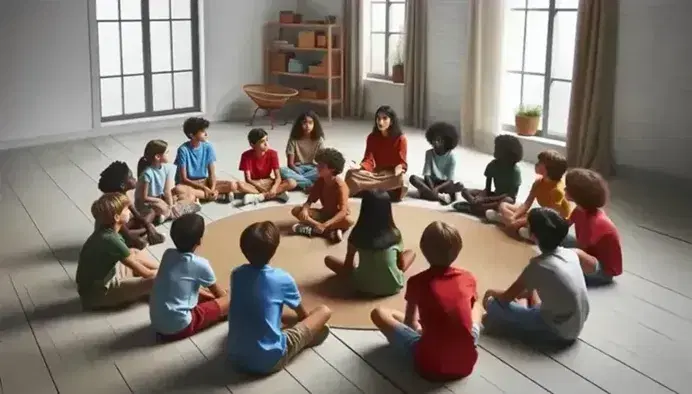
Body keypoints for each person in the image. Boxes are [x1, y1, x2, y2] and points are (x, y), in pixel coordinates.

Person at [370, 221, 481, 381]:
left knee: (379, 313)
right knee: (476, 304)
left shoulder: (417, 282)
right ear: (458, 250)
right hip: (465, 364)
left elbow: (409, 322)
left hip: (429, 365)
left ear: (423, 249)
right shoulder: (467, 277)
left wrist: (422, 331)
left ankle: (430, 336)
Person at [227, 221, 332, 375]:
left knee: (263, 312)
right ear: (274, 249)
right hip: (269, 361)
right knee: (323, 311)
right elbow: (302, 315)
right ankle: (301, 343)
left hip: (235, 355)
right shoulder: (282, 278)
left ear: (243, 249)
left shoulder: (236, 274)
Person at [482, 207, 590, 345]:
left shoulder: (539, 266)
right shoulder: (570, 254)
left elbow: (506, 297)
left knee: (493, 304)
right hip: (574, 322)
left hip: (558, 331)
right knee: (530, 292)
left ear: (533, 235)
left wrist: (490, 292)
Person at [149, 213, 230, 341]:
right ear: (199, 240)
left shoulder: (168, 254)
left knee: (199, 291)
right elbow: (220, 294)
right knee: (230, 299)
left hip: (157, 322)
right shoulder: (200, 264)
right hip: (178, 327)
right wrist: (225, 296)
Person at [323, 190, 416, 296]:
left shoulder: (357, 233)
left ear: (364, 209)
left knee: (329, 260)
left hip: (362, 286)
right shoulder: (395, 234)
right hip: (393, 285)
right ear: (388, 210)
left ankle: (367, 272)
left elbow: (347, 267)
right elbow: (401, 265)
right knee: (411, 253)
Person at [76, 193, 159, 310]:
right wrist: (163, 274)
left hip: (102, 280)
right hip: (98, 294)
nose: (129, 210)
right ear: (116, 217)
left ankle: (162, 271)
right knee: (153, 281)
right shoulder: (111, 240)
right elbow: (147, 273)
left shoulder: (105, 229)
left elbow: (131, 257)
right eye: (126, 209)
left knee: (133, 252)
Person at [486, 150, 573, 240]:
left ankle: (503, 220)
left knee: (524, 230)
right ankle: (512, 222)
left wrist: (523, 220)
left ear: (549, 169)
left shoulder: (557, 190)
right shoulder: (538, 182)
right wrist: (514, 217)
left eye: (540, 163)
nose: (536, 164)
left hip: (553, 221)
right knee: (503, 205)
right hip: (542, 213)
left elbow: (550, 217)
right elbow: (527, 204)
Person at [561, 168, 622, 286]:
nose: (564, 189)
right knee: (556, 234)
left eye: (567, 188)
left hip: (602, 271)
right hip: (589, 253)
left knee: (572, 255)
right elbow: (563, 226)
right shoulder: (580, 209)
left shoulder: (596, 223)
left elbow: (581, 249)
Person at [344, 106, 408, 201]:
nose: (380, 122)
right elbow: (368, 159)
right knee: (351, 174)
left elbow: (402, 162)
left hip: (391, 175)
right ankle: (381, 191)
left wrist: (400, 167)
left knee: (402, 180)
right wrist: (360, 167)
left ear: (392, 121)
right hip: (376, 174)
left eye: (384, 118)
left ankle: (369, 190)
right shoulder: (372, 137)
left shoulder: (401, 139)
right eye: (378, 118)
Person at [291, 147, 354, 243]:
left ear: (332, 169)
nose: (317, 167)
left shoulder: (341, 187)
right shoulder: (321, 181)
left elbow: (343, 212)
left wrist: (325, 225)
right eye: (318, 164)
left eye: (322, 166)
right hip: (323, 214)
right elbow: (309, 201)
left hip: (336, 218)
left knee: (348, 221)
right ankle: (329, 232)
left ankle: (313, 230)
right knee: (296, 210)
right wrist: (304, 209)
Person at [453, 134, 523, 217]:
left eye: (498, 148)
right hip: (494, 195)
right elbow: (487, 189)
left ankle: (476, 208)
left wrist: (485, 199)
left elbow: (511, 195)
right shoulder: (492, 165)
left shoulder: (515, 171)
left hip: (505, 198)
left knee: (506, 201)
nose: (495, 150)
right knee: (465, 191)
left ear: (507, 153)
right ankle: (477, 206)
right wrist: (478, 198)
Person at [98, 161, 165, 248]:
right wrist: (147, 228)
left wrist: (148, 225)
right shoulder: (114, 205)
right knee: (136, 241)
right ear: (122, 185)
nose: (135, 179)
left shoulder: (123, 196)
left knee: (150, 211)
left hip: (126, 225)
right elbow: (127, 233)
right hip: (117, 234)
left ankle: (148, 230)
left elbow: (137, 215)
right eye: (131, 177)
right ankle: (144, 237)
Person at [173, 117, 238, 203]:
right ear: (191, 135)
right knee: (179, 189)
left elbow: (212, 173)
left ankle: (202, 196)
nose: (206, 134)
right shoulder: (183, 150)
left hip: (204, 181)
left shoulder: (208, 147)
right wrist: (205, 188)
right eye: (202, 131)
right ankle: (216, 196)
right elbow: (184, 179)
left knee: (232, 185)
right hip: (188, 184)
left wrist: (212, 189)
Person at [136, 139, 200, 225]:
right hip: (147, 202)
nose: (168, 154)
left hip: (160, 197)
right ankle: (179, 211)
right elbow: (144, 197)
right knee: (162, 207)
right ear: (157, 157)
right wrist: (161, 202)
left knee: (186, 196)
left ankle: (167, 214)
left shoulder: (166, 168)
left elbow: (167, 191)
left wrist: (171, 206)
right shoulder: (147, 173)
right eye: (166, 152)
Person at [237, 128, 298, 205]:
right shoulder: (246, 156)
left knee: (292, 182)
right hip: (255, 184)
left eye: (267, 140)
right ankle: (277, 194)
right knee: (240, 185)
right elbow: (248, 179)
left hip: (268, 181)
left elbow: (278, 177)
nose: (266, 144)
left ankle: (259, 197)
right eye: (262, 141)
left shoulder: (273, 153)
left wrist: (274, 188)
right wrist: (260, 186)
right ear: (252, 145)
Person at [408, 122, 464, 205]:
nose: (435, 142)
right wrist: (432, 188)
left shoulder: (451, 157)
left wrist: (437, 188)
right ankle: (440, 197)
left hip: (444, 185)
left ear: (446, 142)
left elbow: (450, 180)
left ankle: (428, 194)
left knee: (460, 186)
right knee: (413, 178)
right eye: (434, 139)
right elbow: (427, 174)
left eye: (439, 140)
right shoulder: (429, 153)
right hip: (431, 182)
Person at [279, 110, 325, 191]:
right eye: (304, 123)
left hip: (313, 168)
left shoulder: (319, 140)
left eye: (310, 123)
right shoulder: (293, 140)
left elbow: (321, 162)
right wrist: (297, 171)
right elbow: (290, 164)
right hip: (297, 168)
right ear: (299, 125)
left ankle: (299, 183)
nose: (307, 126)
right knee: (282, 170)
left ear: (315, 125)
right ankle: (309, 184)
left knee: (325, 171)